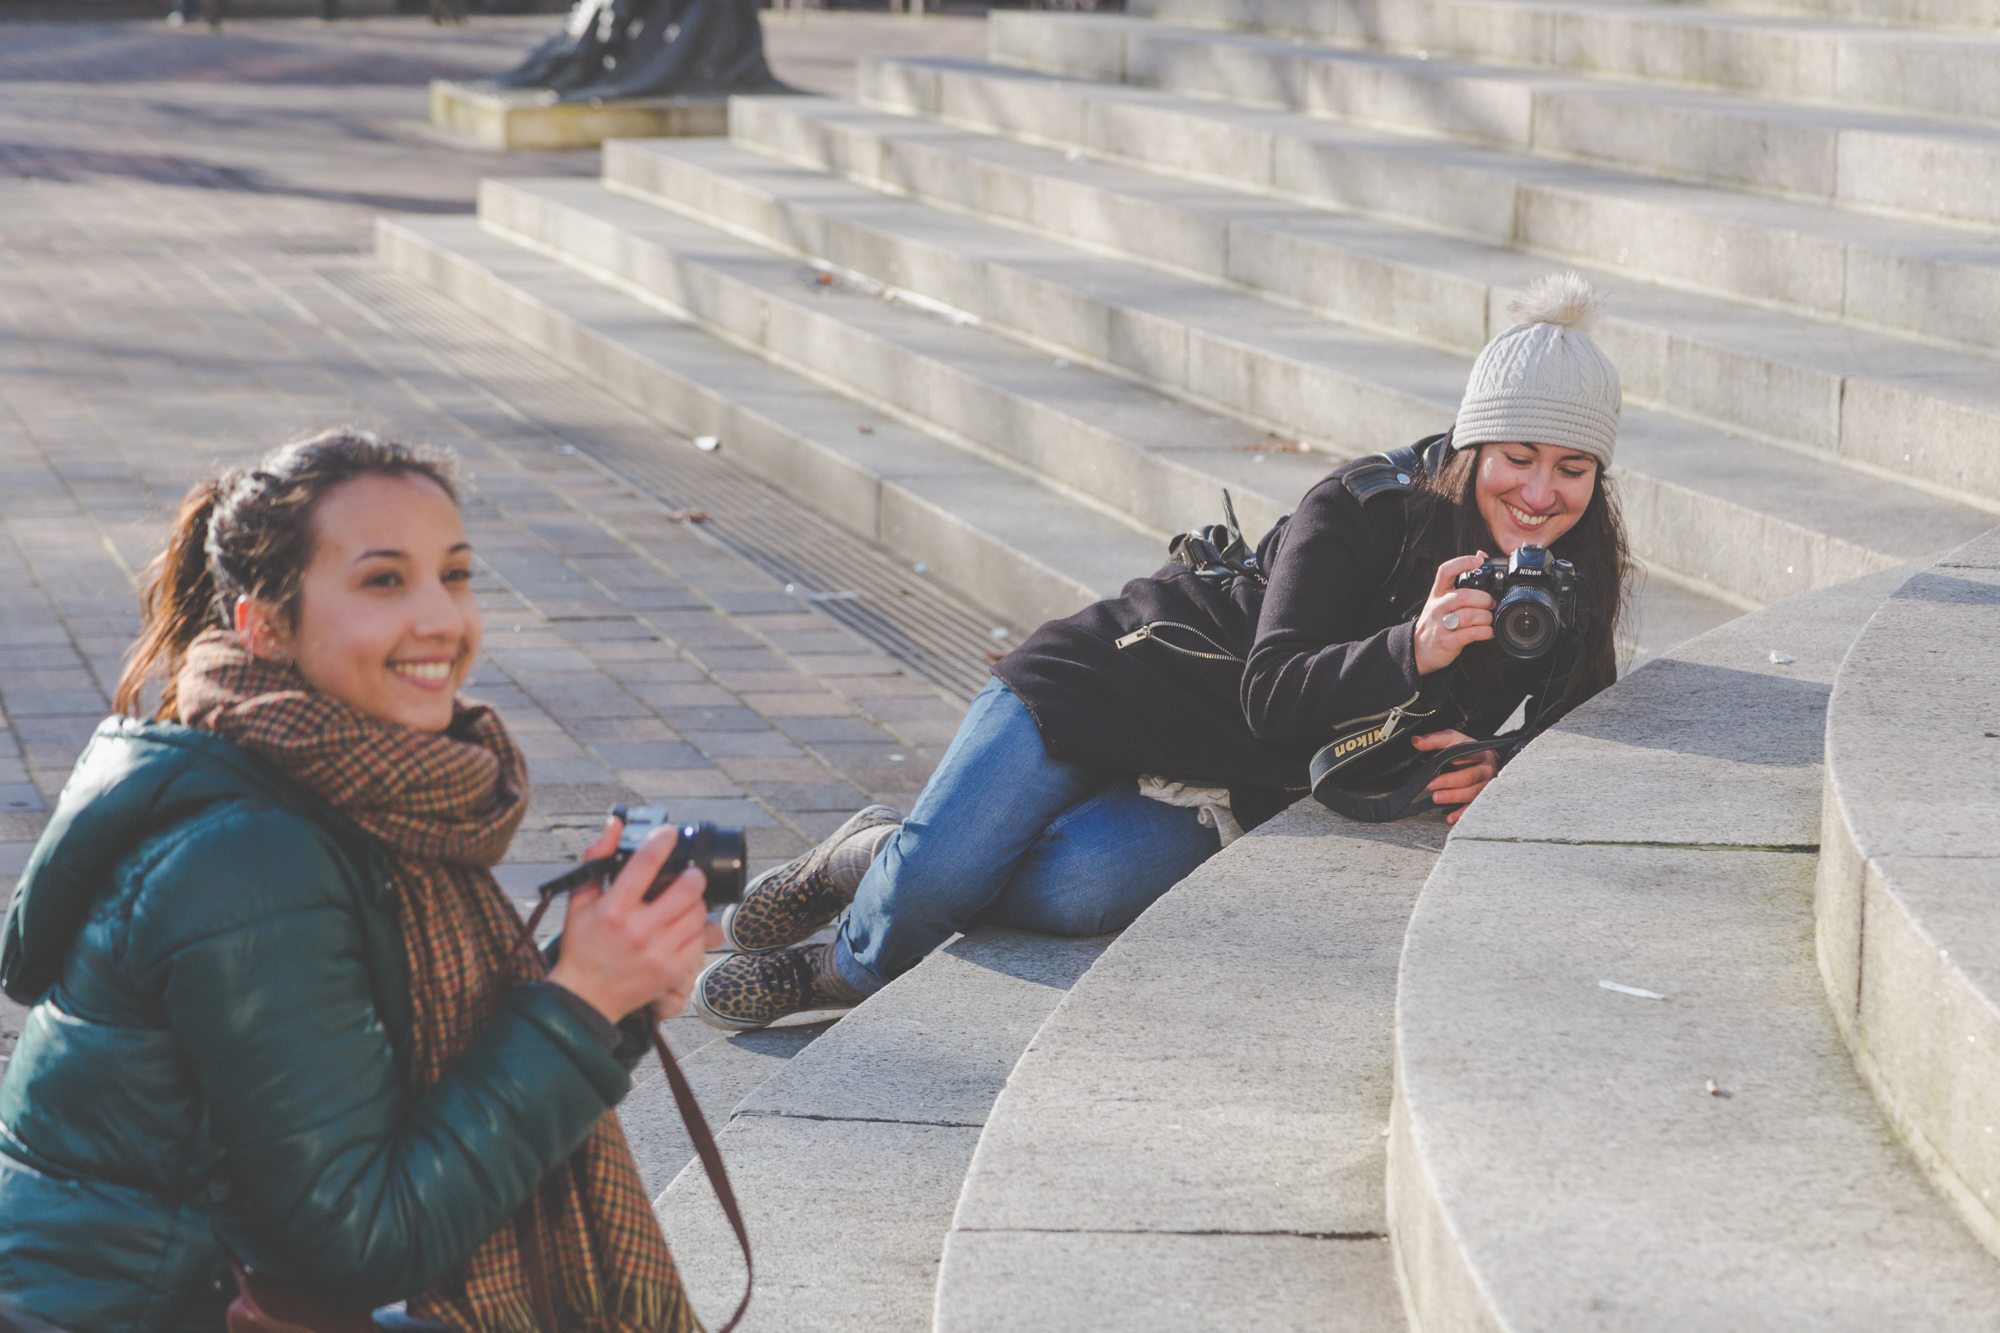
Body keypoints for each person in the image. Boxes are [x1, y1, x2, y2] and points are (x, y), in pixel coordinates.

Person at [692, 272, 1633, 1031]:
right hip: (1114, 685)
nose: (1542, 492)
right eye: (1519, 455)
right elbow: (1274, 691)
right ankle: (846, 958)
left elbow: (1588, 719)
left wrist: (1497, 762)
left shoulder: (1569, 575)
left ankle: (891, 849)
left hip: (1224, 789)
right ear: (1474, 444)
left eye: (1573, 467)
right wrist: (1412, 650)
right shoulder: (1362, 507)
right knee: (941, 881)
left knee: (1072, 890)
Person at [0, 430, 718, 1332]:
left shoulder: (327, 784)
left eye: (453, 574)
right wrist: (576, 1003)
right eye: (385, 580)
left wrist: (606, 989)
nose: (442, 619)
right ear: (265, 621)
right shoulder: (247, 858)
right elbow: (367, 1238)